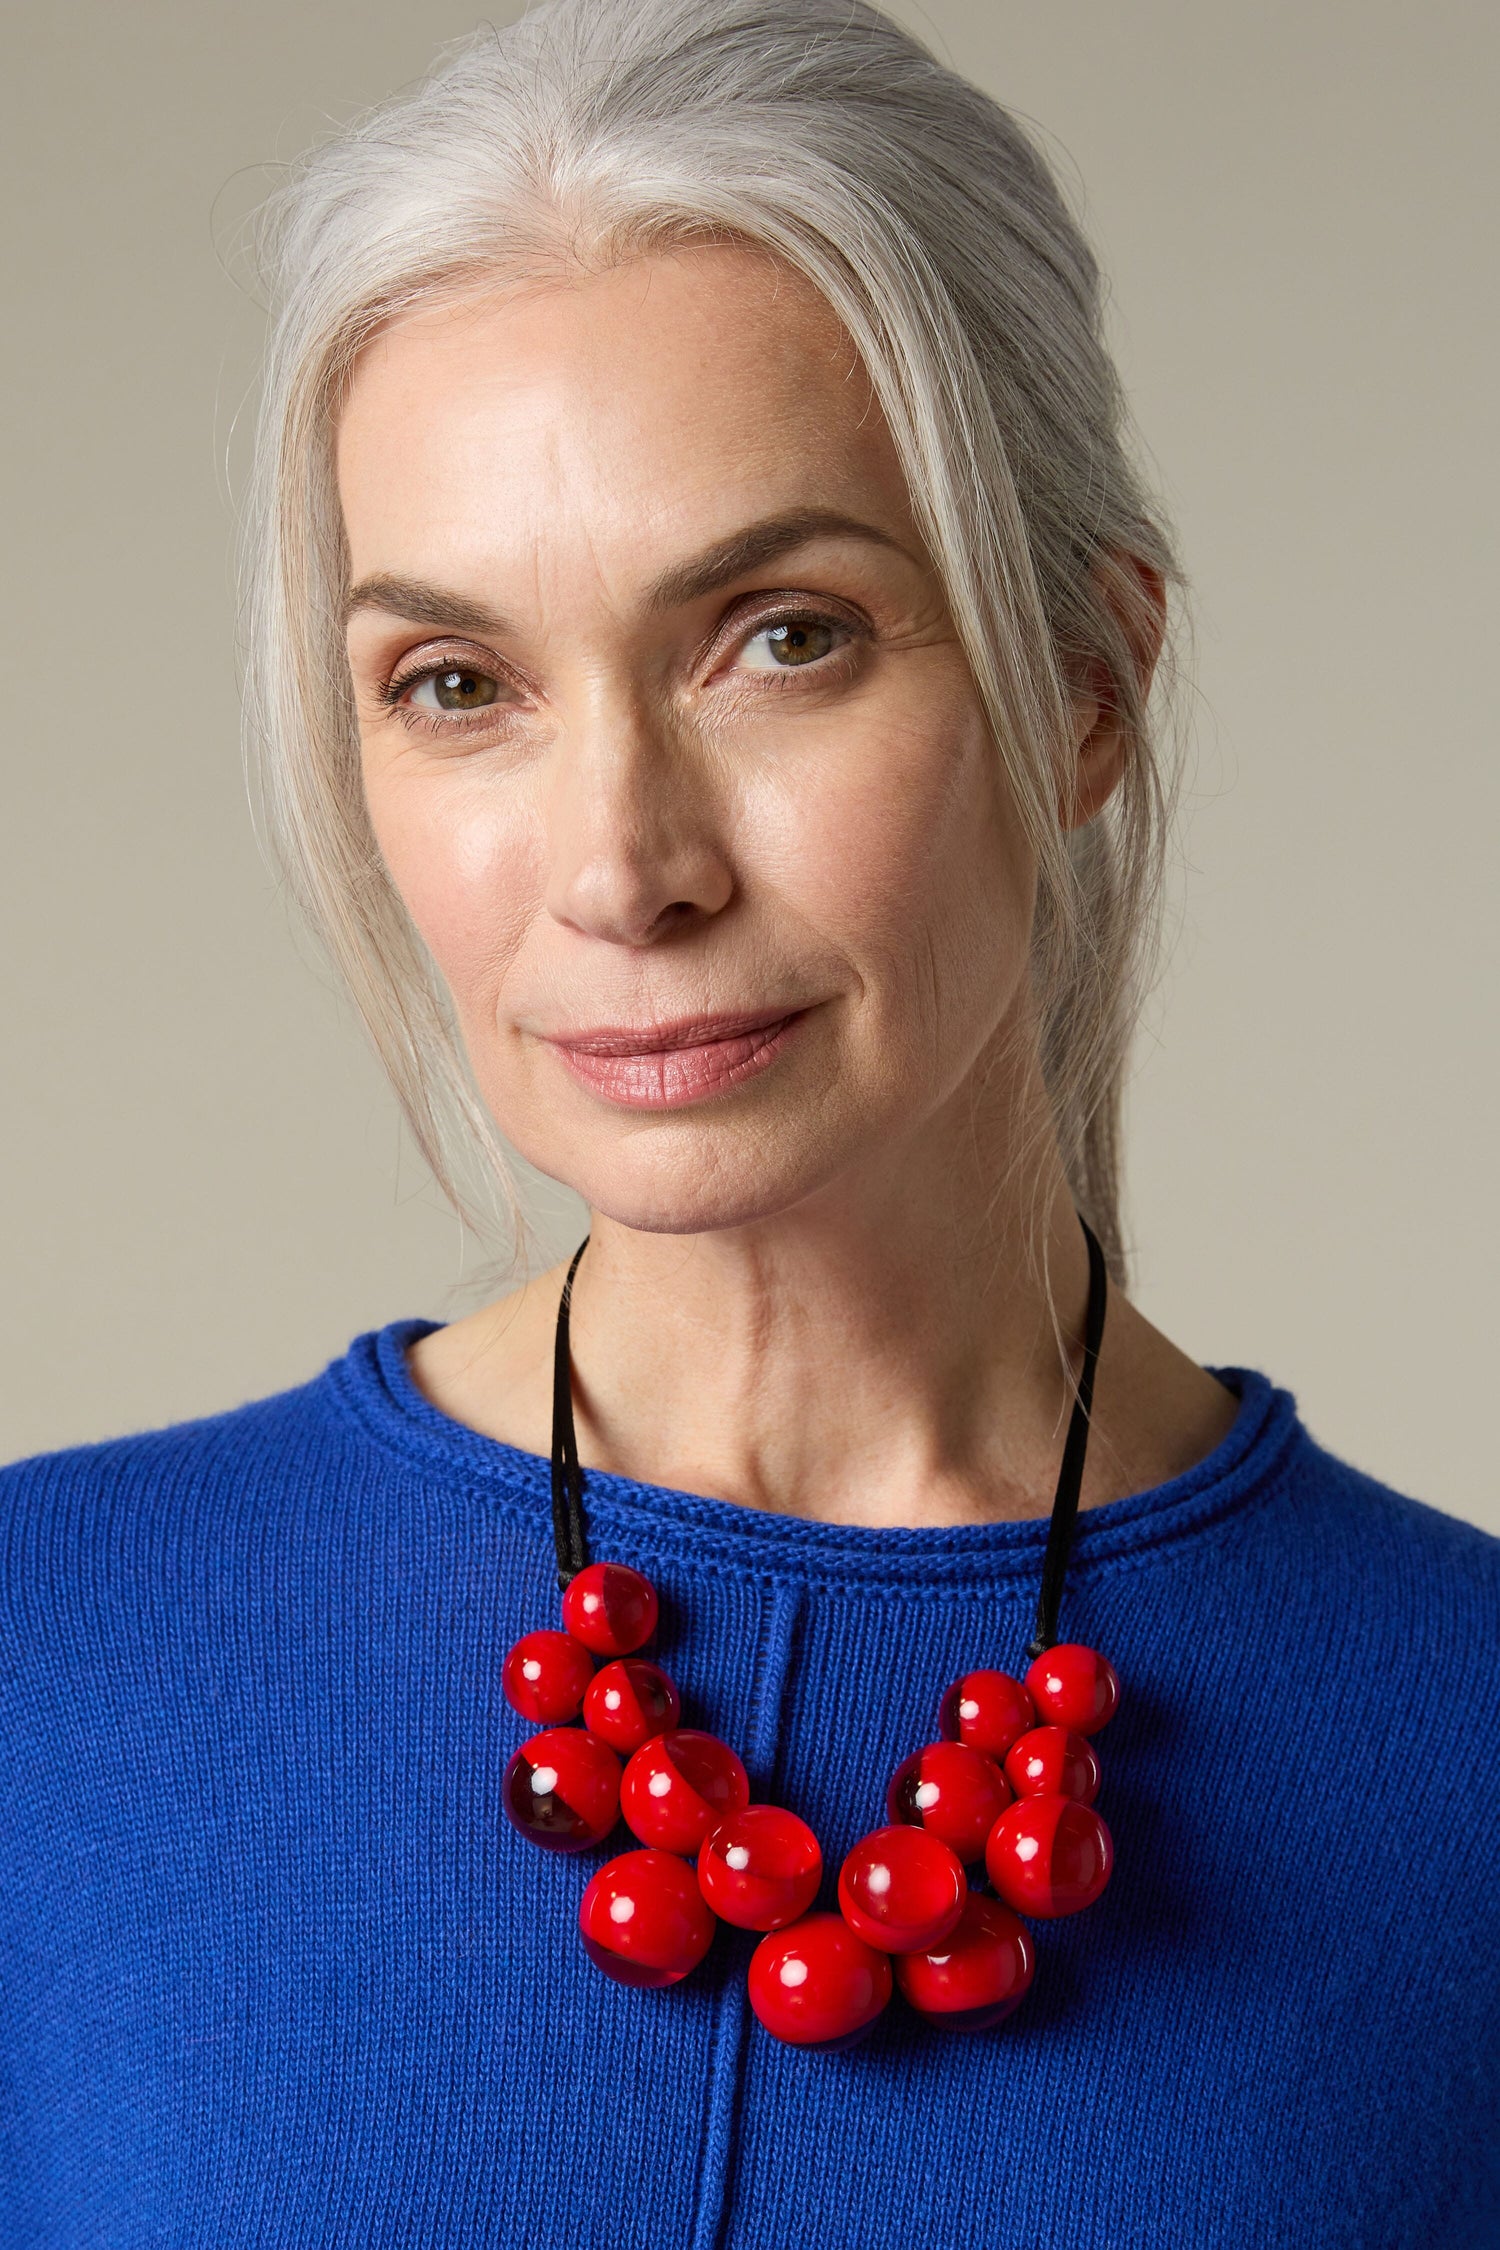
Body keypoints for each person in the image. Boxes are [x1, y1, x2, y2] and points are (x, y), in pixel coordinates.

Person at [1, 0, 1495, 2242]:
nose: (622, 866)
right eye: (458, 684)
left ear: (1083, 687)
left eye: (780, 635)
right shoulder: (51, 1660)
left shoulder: (1459, 1748)